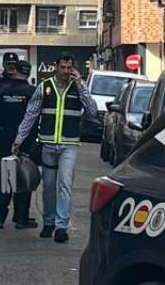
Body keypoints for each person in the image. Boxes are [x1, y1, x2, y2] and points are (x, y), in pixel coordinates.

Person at [13, 53, 97, 243]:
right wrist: (19, 139)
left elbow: (92, 111)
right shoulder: (44, 88)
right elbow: (31, 115)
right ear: (55, 67)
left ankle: (61, 226)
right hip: (48, 144)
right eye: (63, 67)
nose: (66, 71)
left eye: (69, 68)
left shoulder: (77, 88)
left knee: (65, 185)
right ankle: (49, 222)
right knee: (49, 187)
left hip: (69, 145)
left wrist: (81, 86)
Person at [0, 57, 38, 230]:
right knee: (24, 178)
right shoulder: (33, 92)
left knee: (5, 179)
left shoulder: (2, 91)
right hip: (25, 141)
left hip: (4, 139)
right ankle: (21, 218)